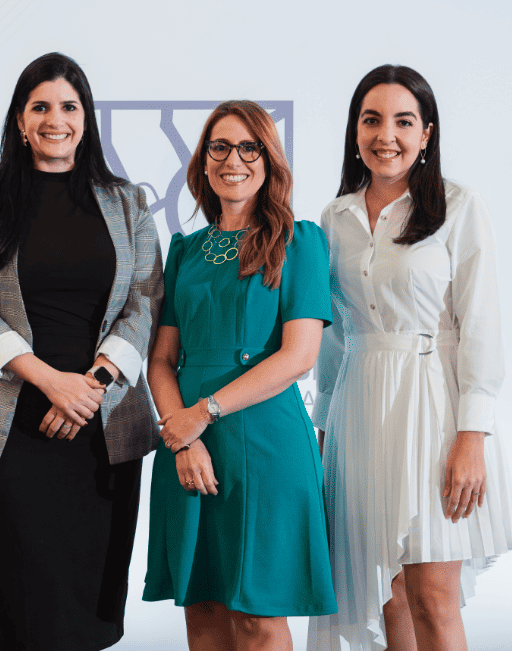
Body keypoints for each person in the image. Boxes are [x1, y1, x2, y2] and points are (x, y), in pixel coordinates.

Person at [0, 52, 163, 651]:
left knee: (92, 602)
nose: (55, 118)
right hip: (14, 426)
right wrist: (51, 383)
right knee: (28, 605)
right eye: (40, 106)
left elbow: (145, 298)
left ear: (86, 118)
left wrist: (89, 385)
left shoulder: (129, 203)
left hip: (104, 420)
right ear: (19, 120)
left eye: (69, 106)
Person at [307, 65, 512, 651]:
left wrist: (472, 436)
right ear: (355, 132)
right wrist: (323, 430)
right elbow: (333, 335)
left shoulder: (459, 206)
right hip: (359, 417)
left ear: (427, 133)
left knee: (432, 595)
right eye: (372, 120)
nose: (387, 135)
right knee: (386, 595)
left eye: (404, 121)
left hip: (433, 412)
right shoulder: (335, 218)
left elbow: (481, 325)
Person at [142, 100, 338, 651]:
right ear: (202, 162)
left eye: (249, 147)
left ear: (269, 160)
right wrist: (182, 437)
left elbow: (298, 356)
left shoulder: (299, 241)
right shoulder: (185, 250)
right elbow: (160, 359)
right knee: (202, 604)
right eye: (220, 147)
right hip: (188, 441)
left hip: (267, 440)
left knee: (256, 615)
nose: (234, 159)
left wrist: (203, 414)